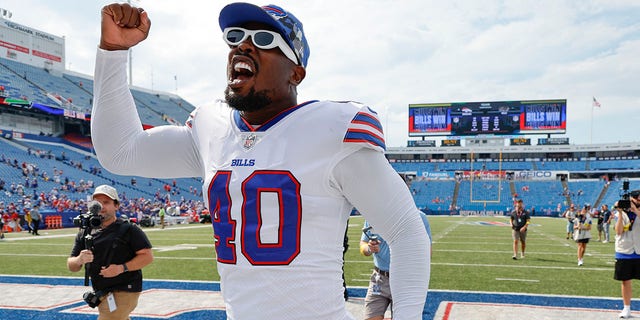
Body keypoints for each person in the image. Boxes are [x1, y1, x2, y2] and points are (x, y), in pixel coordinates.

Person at [91, 3, 430, 319]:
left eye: (265, 40)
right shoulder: (214, 128)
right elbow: (120, 152)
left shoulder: (332, 129)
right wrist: (113, 53)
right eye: (235, 37)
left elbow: (406, 233)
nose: (243, 47)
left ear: (295, 73)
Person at [67, 185, 153, 319]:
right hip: (102, 291)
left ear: (116, 206)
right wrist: (79, 260)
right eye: (97, 202)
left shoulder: (128, 229)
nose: (101, 206)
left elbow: (147, 256)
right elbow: (71, 266)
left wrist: (121, 268)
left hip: (125, 289)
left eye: (106, 202)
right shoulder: (85, 231)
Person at [360, 213, 431, 320]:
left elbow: (427, 250)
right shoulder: (373, 214)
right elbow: (363, 243)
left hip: (405, 280)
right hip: (379, 278)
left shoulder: (419, 217)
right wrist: (369, 249)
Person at [614, 192, 640, 319]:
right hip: (625, 250)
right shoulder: (623, 213)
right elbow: (618, 231)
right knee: (625, 280)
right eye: (633, 199)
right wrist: (619, 213)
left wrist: (635, 211)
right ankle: (627, 308)